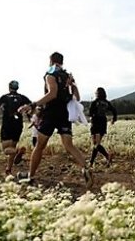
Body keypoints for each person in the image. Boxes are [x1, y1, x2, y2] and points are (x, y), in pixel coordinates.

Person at [18, 52, 93, 187]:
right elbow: (77, 97)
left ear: (50, 61)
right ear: (62, 61)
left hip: (51, 114)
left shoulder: (50, 74)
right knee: (69, 145)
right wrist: (72, 85)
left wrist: (33, 105)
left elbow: (52, 94)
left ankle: (31, 175)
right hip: (65, 114)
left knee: (39, 146)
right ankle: (85, 168)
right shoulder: (67, 75)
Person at [0, 80, 31, 176]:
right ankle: (8, 169)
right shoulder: (22, 97)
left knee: (6, 150)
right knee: (12, 147)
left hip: (7, 125)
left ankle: (19, 151)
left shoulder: (5, 97)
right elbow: (31, 107)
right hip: (18, 125)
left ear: (9, 87)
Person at [88, 87, 117, 167]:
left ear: (97, 94)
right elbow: (114, 111)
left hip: (96, 123)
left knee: (95, 144)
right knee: (97, 144)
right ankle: (91, 162)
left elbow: (90, 113)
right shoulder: (107, 103)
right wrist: (114, 119)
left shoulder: (95, 102)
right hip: (103, 123)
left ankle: (107, 156)